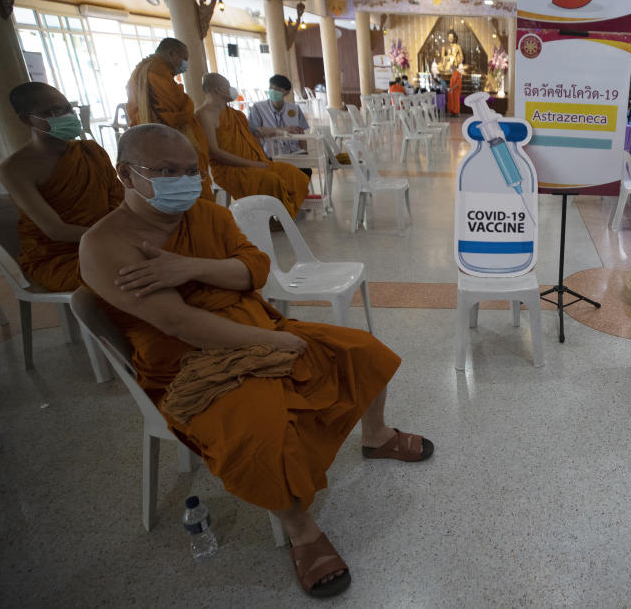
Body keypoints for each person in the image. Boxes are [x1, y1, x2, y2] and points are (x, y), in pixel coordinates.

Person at [79, 124, 433, 598]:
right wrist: (269, 344)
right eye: (166, 171)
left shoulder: (208, 215)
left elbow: (257, 269)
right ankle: (301, 531)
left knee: (364, 352)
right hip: (192, 366)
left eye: (190, 171)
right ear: (126, 174)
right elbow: (180, 324)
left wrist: (191, 267)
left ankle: (376, 436)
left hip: (259, 328)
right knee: (261, 431)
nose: (182, 181)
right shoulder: (105, 244)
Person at [0, 82, 123, 291]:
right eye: (50, 112)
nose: (65, 116)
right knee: (130, 273)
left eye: (67, 108)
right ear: (26, 119)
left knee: (178, 250)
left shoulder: (90, 150)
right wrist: (113, 239)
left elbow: (119, 201)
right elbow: (56, 231)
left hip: (110, 240)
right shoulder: (14, 169)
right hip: (60, 257)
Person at [197, 73, 310, 217]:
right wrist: (252, 164)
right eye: (227, 86)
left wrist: (260, 159)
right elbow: (214, 152)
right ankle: (271, 219)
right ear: (218, 90)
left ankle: (284, 215)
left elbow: (253, 136)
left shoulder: (234, 114)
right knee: (272, 181)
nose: (232, 89)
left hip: (255, 161)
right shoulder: (205, 114)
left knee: (294, 174)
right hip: (230, 168)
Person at [126, 37, 214, 201]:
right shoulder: (155, 71)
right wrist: (188, 103)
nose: (185, 64)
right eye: (184, 58)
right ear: (172, 54)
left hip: (150, 139)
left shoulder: (143, 71)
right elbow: (177, 107)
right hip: (166, 141)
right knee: (189, 188)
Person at [247, 74, 309, 158]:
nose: (272, 91)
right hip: (269, 155)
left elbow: (301, 135)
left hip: (294, 154)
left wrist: (304, 153)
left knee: (305, 171)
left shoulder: (295, 109)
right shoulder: (258, 108)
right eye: (270, 88)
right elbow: (254, 132)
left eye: (277, 89)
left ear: (286, 92)